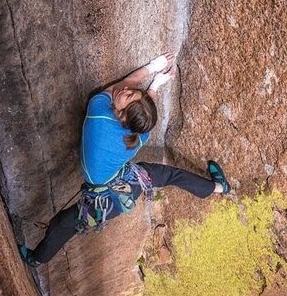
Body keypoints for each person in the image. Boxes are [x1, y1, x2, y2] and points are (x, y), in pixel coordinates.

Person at [19, 54, 231, 265]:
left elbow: (124, 84)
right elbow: (139, 113)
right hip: (128, 181)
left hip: (106, 199)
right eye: (133, 94)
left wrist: (152, 68)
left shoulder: (99, 113)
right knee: (168, 175)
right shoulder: (140, 135)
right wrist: (155, 85)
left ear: (121, 117)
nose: (126, 91)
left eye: (129, 96)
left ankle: (36, 259)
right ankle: (218, 187)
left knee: (63, 224)